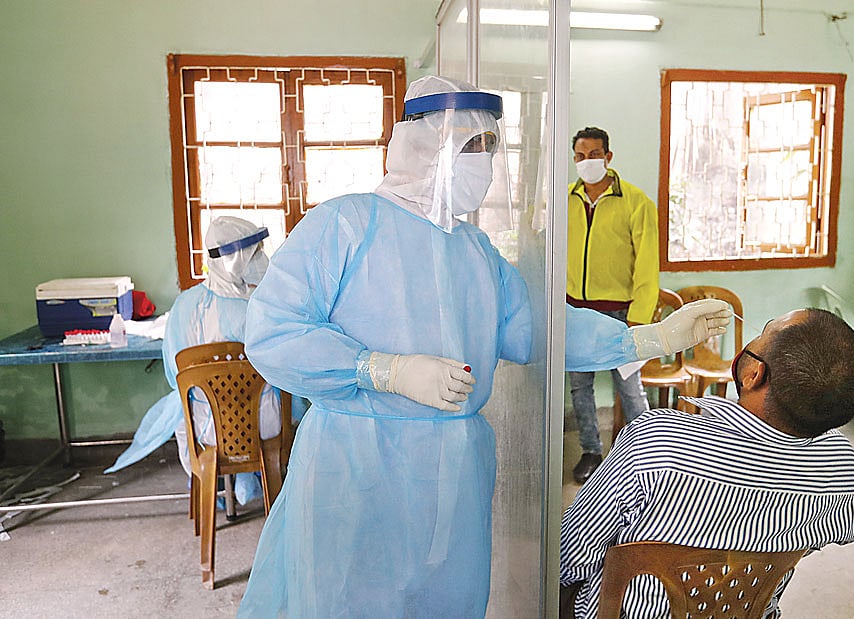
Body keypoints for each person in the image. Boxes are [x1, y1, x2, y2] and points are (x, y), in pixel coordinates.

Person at [237, 75, 732, 618]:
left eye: (494, 148)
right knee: (348, 596)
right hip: (357, 464)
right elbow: (273, 331)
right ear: (429, 146)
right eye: (475, 147)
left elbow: (535, 331)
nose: (487, 163)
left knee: (447, 597)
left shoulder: (474, 248)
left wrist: (652, 336)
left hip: (454, 468)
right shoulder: (345, 225)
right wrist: (381, 369)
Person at [560, 308, 854, 619]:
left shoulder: (657, 440)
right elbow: (847, 529)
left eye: (762, 332)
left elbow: (567, 557)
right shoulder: (841, 467)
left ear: (753, 375)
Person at [105, 216, 278, 505]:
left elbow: (176, 374)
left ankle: (214, 484)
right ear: (235, 260)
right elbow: (283, 366)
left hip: (208, 429)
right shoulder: (264, 306)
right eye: (256, 252)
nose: (262, 258)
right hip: (265, 424)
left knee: (184, 407)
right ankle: (267, 478)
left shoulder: (186, 305)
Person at [566, 126, 660, 484]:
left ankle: (645, 457)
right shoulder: (566, 200)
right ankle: (591, 451)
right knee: (580, 387)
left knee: (630, 387)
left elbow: (648, 264)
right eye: (579, 155)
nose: (586, 162)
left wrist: (638, 318)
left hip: (621, 314)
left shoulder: (636, 202)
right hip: (575, 312)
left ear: (608, 157)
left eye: (593, 155)